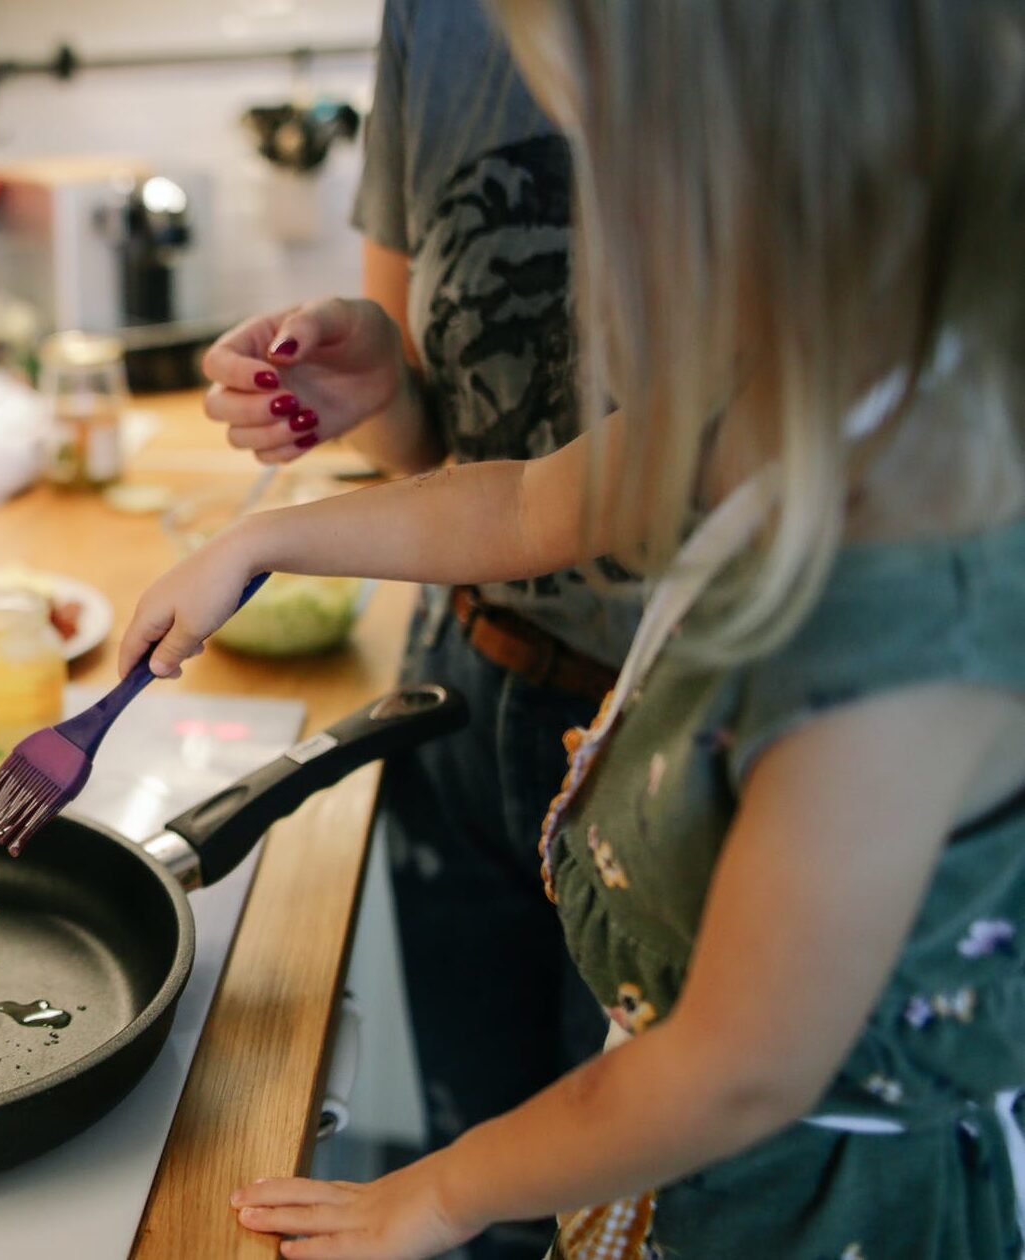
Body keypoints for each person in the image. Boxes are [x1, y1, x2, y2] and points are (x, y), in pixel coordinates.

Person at [126, 0, 1025, 1254]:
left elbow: (734, 1072)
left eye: (617, 156)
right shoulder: (784, 388)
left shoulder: (904, 617)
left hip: (804, 1208)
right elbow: (531, 498)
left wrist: (440, 1191)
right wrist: (258, 540)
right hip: (674, 1150)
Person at [202, 6, 614, 1250]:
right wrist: (374, 387)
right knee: (479, 1182)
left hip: (685, 733)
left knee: (616, 1201)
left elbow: (728, 1074)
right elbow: (469, 464)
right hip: (466, 695)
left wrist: (260, 542)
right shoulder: (437, 24)